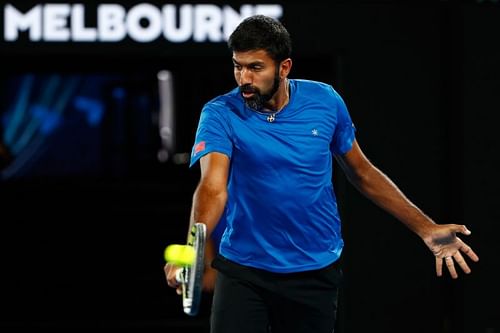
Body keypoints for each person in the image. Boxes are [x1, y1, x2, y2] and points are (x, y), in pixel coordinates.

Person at [165, 15, 479, 333]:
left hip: (314, 270)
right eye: (237, 66)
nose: (243, 78)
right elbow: (213, 188)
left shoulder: (325, 101)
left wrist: (425, 228)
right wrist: (194, 249)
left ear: (284, 67)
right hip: (244, 269)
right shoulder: (219, 113)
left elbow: (362, 172)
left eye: (255, 67)